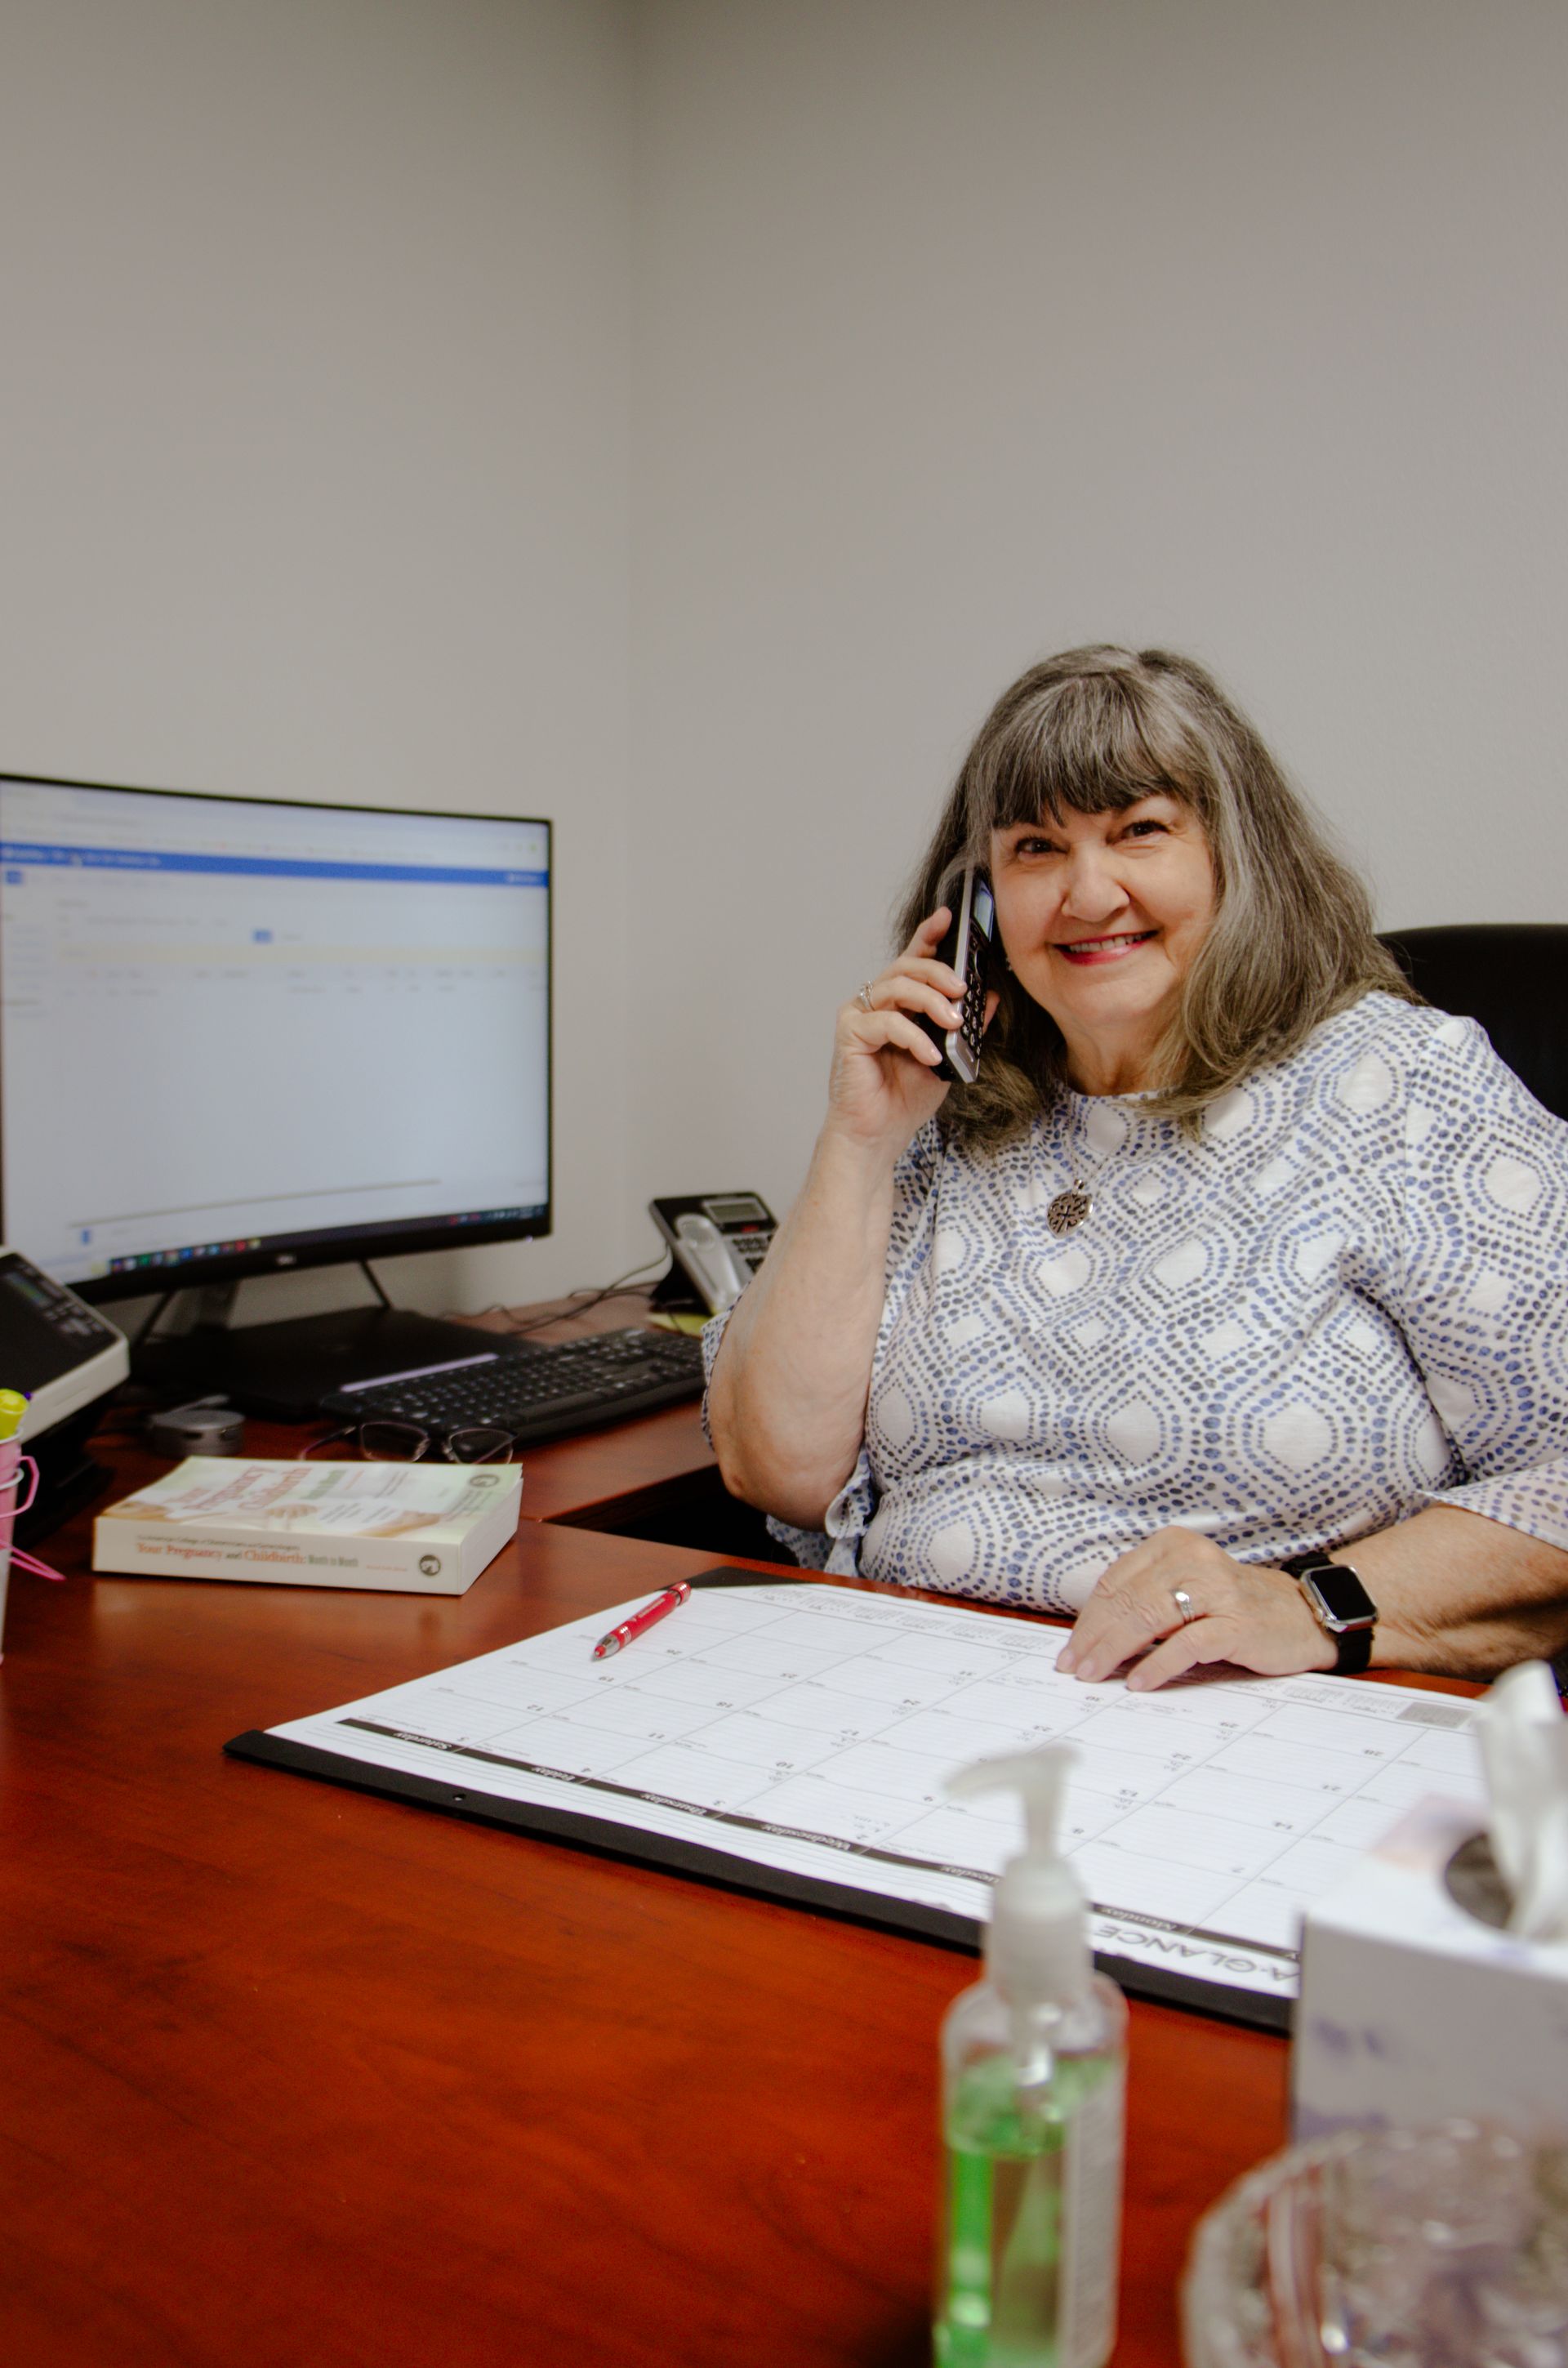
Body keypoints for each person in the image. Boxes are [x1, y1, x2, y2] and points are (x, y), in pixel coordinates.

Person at [706, 645, 1568, 1689]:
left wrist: (1314, 1603)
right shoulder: (942, 1117)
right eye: (1036, 848)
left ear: (1235, 860)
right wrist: (860, 1144)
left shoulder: (1397, 1086)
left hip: (1245, 1720)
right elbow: (781, 1474)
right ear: (980, 905)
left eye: (1139, 831)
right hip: (906, 1693)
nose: (1087, 891)